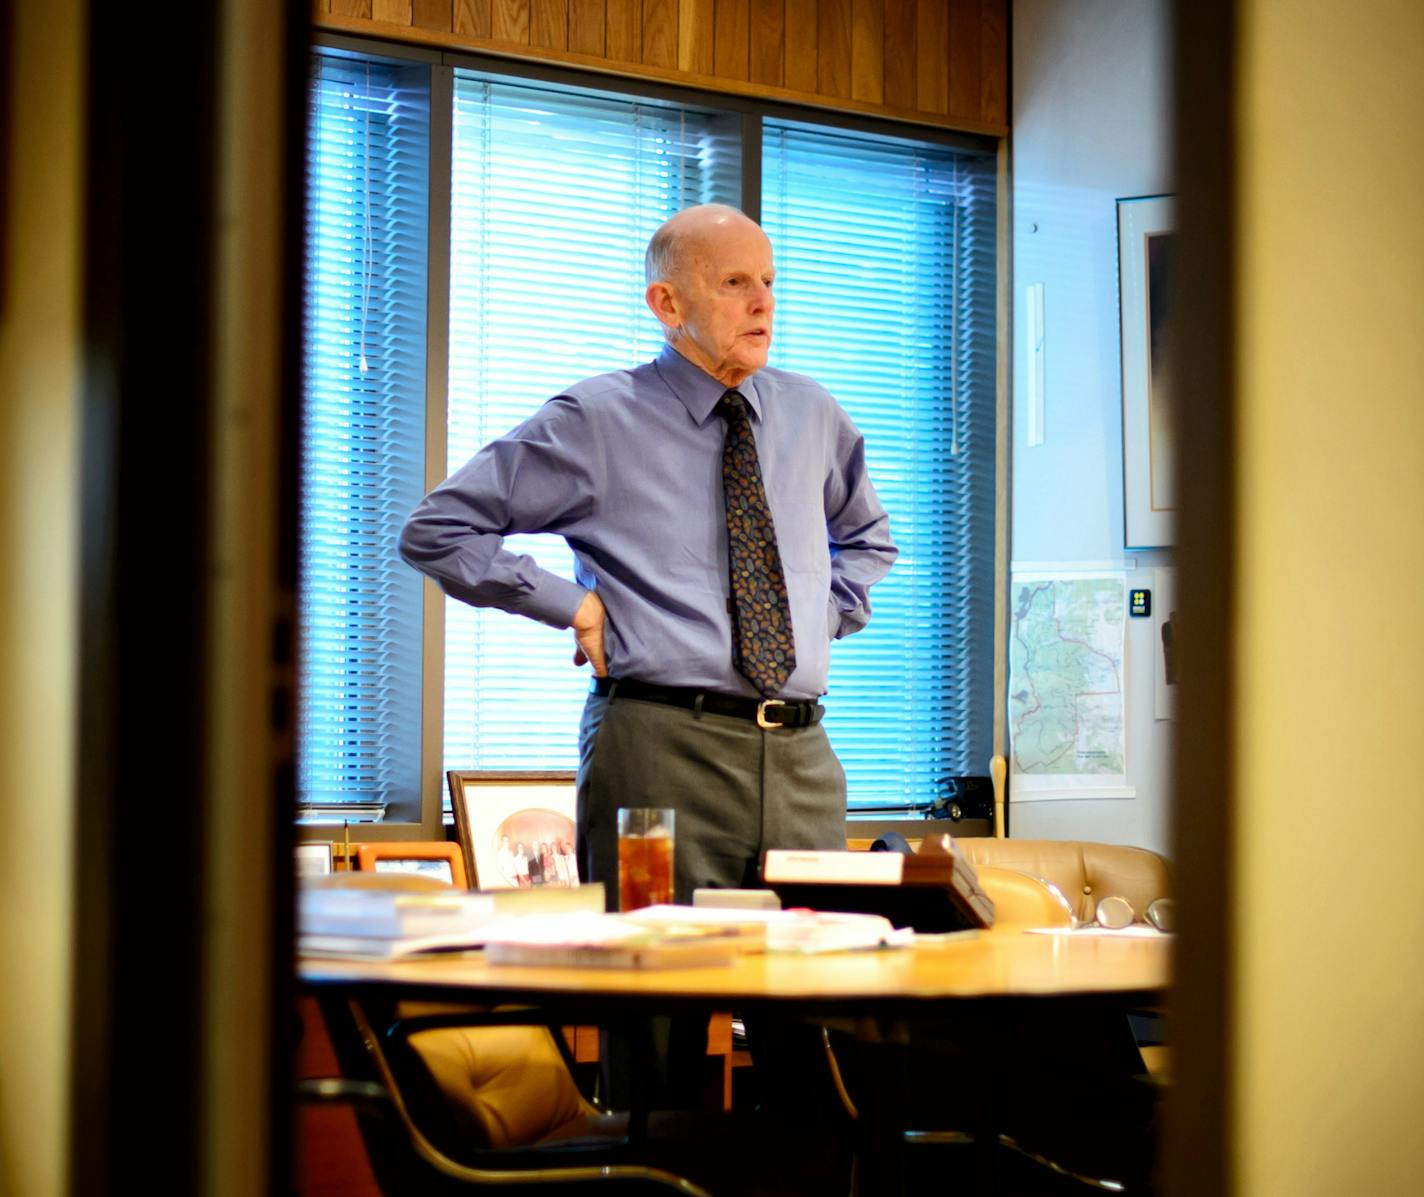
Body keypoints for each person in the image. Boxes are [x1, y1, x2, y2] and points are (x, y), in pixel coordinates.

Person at [399, 203, 897, 909]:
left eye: (769, 280)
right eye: (734, 282)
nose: (764, 302)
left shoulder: (812, 413)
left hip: (802, 759)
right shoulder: (597, 418)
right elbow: (438, 529)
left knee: (813, 995)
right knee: (656, 997)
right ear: (667, 303)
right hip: (659, 749)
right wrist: (571, 604)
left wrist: (813, 617)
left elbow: (870, 540)